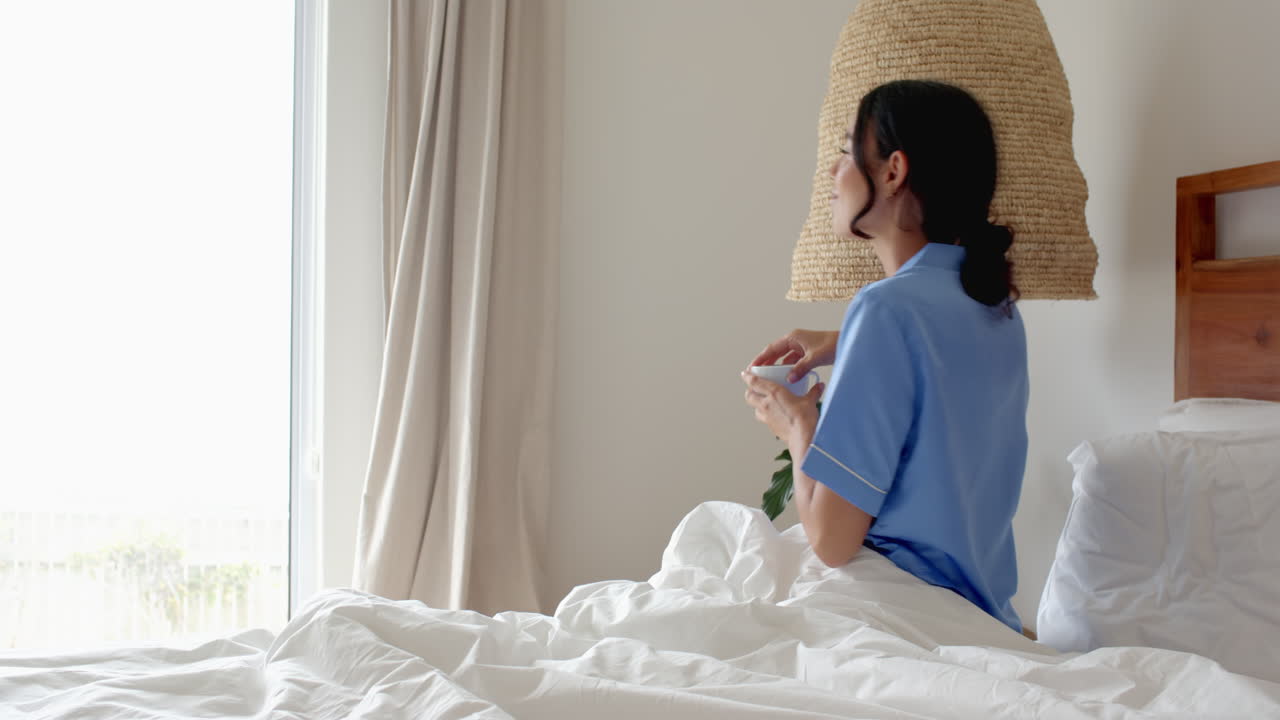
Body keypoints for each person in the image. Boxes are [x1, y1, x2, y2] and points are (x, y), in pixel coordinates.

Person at [740, 79, 1029, 633]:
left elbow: (831, 542)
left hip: (895, 610)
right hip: (979, 615)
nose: (833, 171)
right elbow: (939, 366)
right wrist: (844, 339)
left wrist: (798, 425)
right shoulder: (998, 309)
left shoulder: (885, 310)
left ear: (893, 171)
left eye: (847, 152)